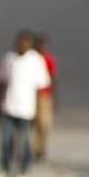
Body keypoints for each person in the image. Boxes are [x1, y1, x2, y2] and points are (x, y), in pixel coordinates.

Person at [0, 29, 51, 177]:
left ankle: (24, 172)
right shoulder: (9, 58)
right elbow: (2, 83)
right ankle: (4, 170)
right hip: (8, 107)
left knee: (25, 143)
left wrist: (39, 111)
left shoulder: (36, 61)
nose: (22, 45)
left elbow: (41, 88)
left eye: (26, 42)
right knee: (6, 141)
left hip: (27, 110)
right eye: (20, 41)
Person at [31, 32, 58, 162]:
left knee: (45, 124)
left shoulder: (48, 59)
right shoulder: (31, 59)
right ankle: (34, 149)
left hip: (45, 96)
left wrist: (54, 98)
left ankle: (41, 149)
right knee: (33, 125)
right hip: (30, 96)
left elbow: (53, 78)